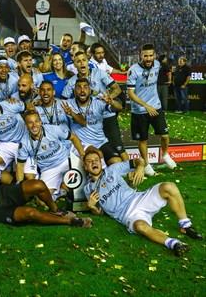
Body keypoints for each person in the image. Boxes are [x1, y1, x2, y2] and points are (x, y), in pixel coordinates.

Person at [83, 146, 202, 257]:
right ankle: (175, 244)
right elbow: (99, 213)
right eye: (89, 161)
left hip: (139, 198)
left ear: (100, 162)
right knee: (140, 226)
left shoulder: (112, 170)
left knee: (169, 187)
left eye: (96, 160)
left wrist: (140, 167)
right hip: (128, 214)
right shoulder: (88, 189)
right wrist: (92, 207)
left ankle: (185, 225)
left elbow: (139, 160)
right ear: (85, 167)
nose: (94, 162)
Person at [0, 145, 92, 229]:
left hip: (0, 192)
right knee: (31, 213)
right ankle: (70, 221)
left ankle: (56, 210)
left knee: (38, 184)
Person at [127, 44, 176, 176]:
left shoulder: (157, 64)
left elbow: (169, 68)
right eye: (145, 55)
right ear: (141, 55)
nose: (148, 58)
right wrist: (145, 106)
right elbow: (131, 94)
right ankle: (147, 165)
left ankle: (165, 155)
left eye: (151, 55)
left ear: (154, 55)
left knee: (165, 135)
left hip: (155, 107)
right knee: (143, 139)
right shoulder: (133, 70)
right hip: (139, 111)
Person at [17, 110, 85, 200]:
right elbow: (20, 166)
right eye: (30, 123)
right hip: (48, 169)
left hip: (65, 161)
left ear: (41, 122)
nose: (34, 125)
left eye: (36, 121)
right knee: (42, 200)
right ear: (26, 125)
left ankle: (63, 187)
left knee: (82, 185)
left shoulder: (53, 129)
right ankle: (61, 191)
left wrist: (82, 155)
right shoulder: (24, 142)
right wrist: (18, 188)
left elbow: (73, 137)